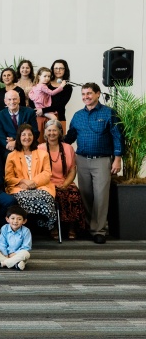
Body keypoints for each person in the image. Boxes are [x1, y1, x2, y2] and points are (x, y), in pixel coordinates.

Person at [65, 83, 122, 244]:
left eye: (89, 93)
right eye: (83, 94)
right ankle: (90, 226)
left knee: (101, 196)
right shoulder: (77, 115)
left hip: (102, 160)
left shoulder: (109, 113)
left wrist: (117, 159)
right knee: (86, 195)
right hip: (81, 159)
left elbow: (117, 137)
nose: (86, 97)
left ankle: (99, 231)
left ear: (97, 94)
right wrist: (53, 142)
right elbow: (70, 137)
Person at [5, 123, 57, 233]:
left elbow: (47, 173)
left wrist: (32, 182)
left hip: (41, 186)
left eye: (30, 134)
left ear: (33, 137)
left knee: (45, 197)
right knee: (21, 199)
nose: (27, 137)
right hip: (20, 188)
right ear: (19, 137)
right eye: (23, 135)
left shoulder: (43, 154)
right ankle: (25, 226)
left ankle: (43, 226)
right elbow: (8, 178)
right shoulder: (12, 156)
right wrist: (23, 181)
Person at [38, 119, 86, 239]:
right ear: (45, 132)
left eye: (55, 130)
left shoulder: (68, 148)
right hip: (46, 183)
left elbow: (72, 170)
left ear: (60, 132)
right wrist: (49, 184)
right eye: (49, 130)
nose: (52, 133)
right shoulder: (40, 148)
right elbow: (37, 171)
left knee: (73, 194)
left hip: (65, 181)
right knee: (54, 195)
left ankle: (71, 227)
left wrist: (65, 184)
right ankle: (53, 226)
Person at [0, 89, 40, 162]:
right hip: (9, 147)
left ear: (19, 100)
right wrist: (10, 144)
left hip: (28, 144)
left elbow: (35, 132)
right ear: (5, 101)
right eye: (9, 99)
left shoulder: (29, 112)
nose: (12, 102)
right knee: (8, 156)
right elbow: (0, 135)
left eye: (14, 99)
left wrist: (17, 142)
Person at [0, 205, 32, 271]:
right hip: (5, 254)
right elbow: (2, 243)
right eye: (12, 218)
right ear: (7, 219)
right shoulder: (4, 228)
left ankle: (2, 264)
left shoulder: (26, 231)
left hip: (18, 255)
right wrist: (6, 254)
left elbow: (26, 247)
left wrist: (15, 254)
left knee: (26, 254)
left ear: (24, 221)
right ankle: (15, 264)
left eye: (19, 219)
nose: (16, 221)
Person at [41, 59, 73, 125]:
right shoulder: (45, 84)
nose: (58, 70)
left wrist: (43, 110)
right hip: (42, 116)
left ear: (65, 70)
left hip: (59, 117)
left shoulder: (68, 87)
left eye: (61, 68)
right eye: (56, 68)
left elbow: (60, 105)